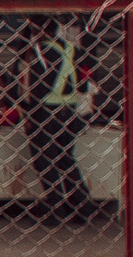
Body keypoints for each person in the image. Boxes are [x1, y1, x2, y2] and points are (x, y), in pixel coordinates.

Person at [16, 16, 91, 224]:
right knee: (65, 158)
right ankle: (82, 204)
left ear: (39, 32)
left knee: (44, 161)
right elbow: (83, 85)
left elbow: (36, 87)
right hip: (70, 110)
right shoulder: (72, 50)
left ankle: (57, 208)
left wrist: (30, 114)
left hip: (46, 113)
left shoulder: (40, 52)